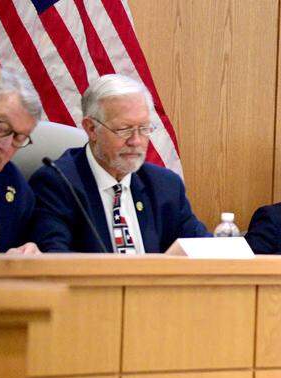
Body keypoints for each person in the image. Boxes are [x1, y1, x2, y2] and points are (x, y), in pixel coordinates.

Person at [29, 74, 208, 253]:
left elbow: (202, 247)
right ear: (91, 129)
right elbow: (53, 257)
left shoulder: (165, 186)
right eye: (124, 129)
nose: (136, 141)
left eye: (144, 128)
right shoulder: (57, 183)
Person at [0, 69, 41, 254]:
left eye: (19, 137)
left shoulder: (17, 188)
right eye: (1, 127)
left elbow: (26, 245)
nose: (6, 145)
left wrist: (28, 251)